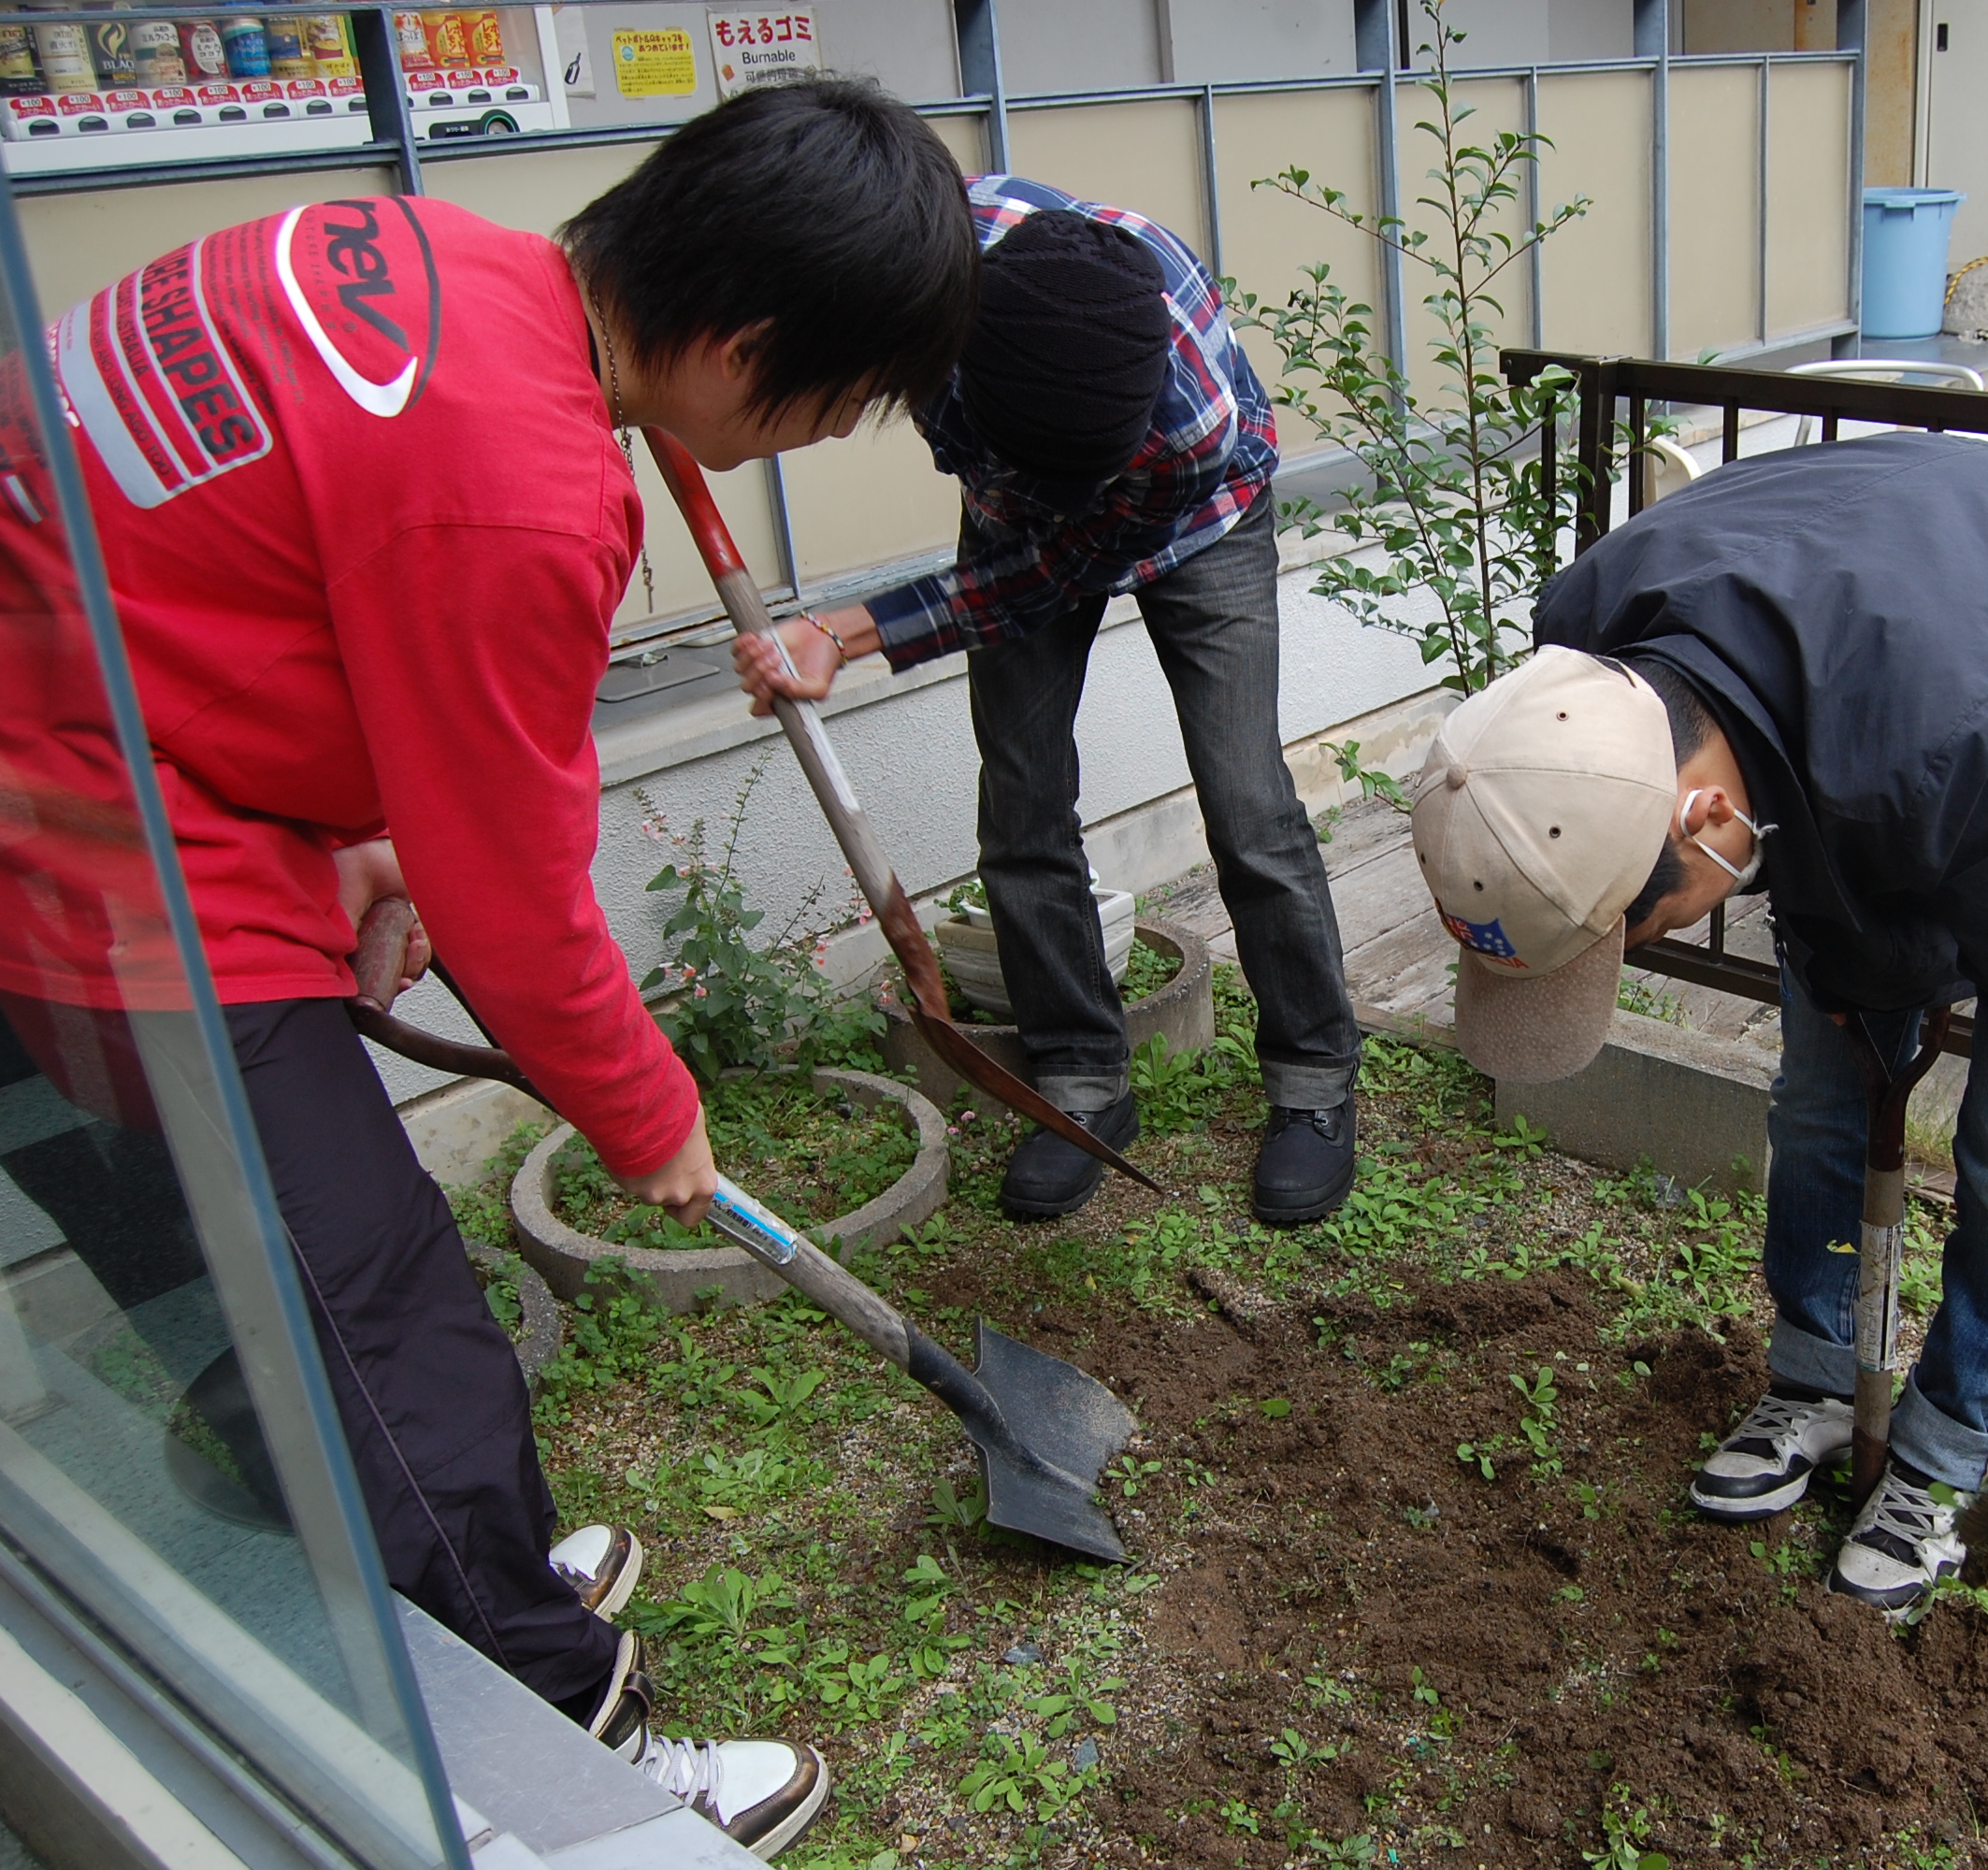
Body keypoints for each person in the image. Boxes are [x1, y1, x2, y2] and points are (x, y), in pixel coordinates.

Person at [0, 77, 978, 1856]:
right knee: (372, 1326)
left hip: (92, 766)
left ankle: (399, 1564)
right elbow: (517, 898)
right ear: (741, 340)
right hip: (77, 868)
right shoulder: (518, 484)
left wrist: (354, 822)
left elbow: (234, 576)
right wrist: (643, 1108)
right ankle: (553, 1738)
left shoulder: (406, 251)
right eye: (827, 403)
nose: (807, 442)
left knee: (267, 1294)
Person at [1405, 433, 1988, 1620]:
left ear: (1704, 818)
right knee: (1816, 1090)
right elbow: (1806, 761)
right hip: (1867, 620)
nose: (1628, 956)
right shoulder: (1584, 648)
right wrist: (1849, 958)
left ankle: (1947, 1443)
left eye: (1629, 932)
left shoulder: (1965, 731)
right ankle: (1811, 1373)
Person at [732, 174, 1360, 1227]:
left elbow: (1052, 574)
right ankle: (1077, 1074)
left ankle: (1311, 1077)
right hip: (1015, 499)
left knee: (1246, 800)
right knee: (1021, 799)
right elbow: (1023, 552)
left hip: (1201, 518)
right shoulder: (923, 302)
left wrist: (849, 629)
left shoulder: (1184, 421)